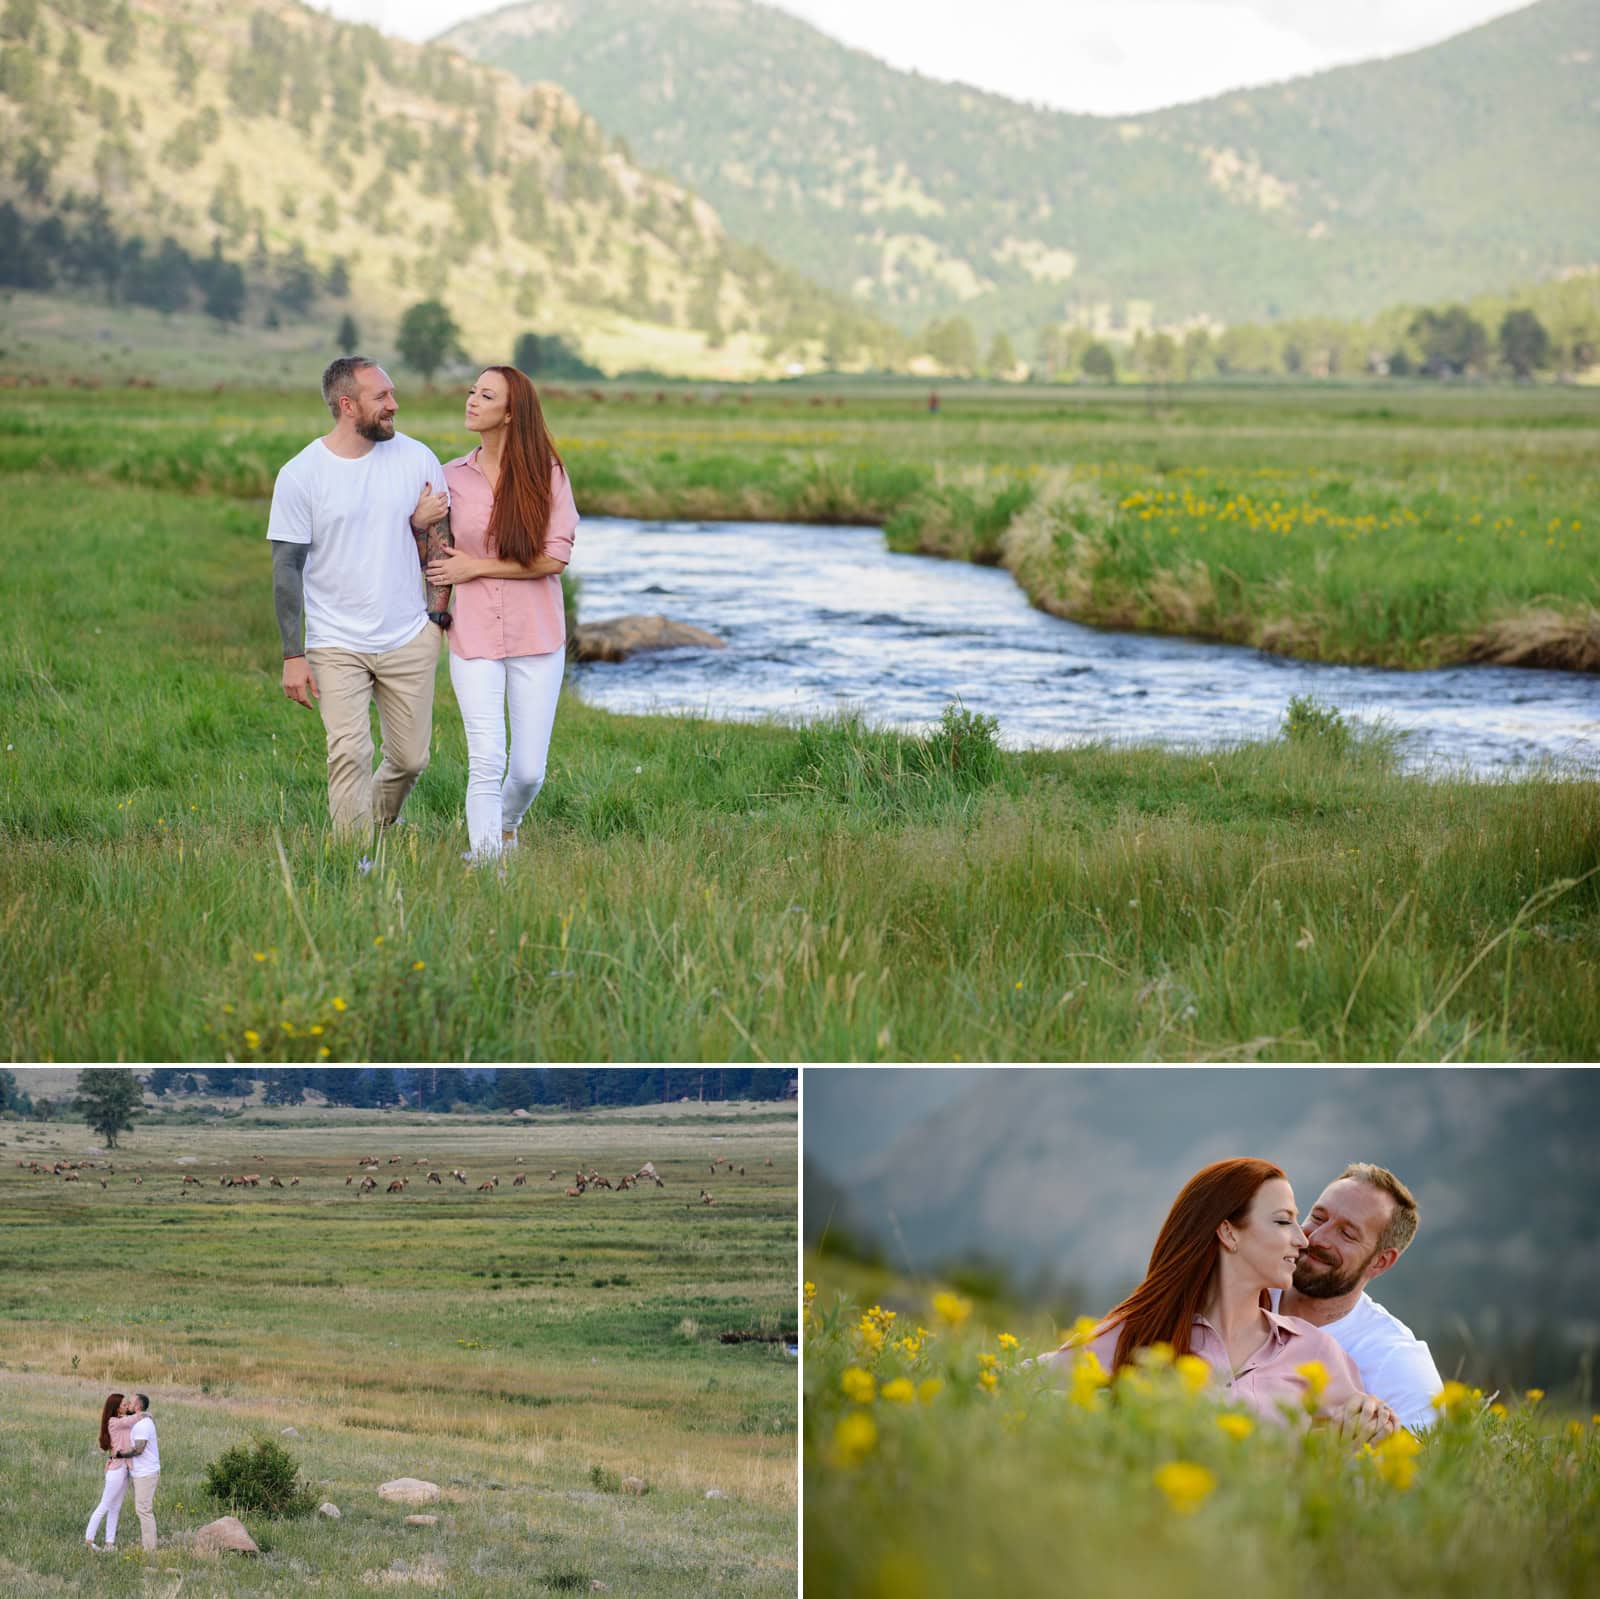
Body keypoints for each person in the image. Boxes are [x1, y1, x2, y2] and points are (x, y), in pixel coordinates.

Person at [1041, 1157, 1397, 1440]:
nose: (1303, 1240)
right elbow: (1021, 1384)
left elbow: (1363, 1450)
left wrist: (1377, 1423)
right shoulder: (1139, 1333)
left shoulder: (1317, 1351)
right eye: (1282, 1221)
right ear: (1228, 1232)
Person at [269, 356, 451, 836]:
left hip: (408, 635)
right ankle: (354, 859)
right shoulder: (301, 474)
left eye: (392, 393)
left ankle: (378, 826)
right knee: (350, 750)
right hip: (335, 640)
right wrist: (293, 654)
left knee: (410, 760)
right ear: (347, 405)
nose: (394, 404)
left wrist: (436, 621)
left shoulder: (418, 459)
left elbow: (441, 545)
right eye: (382, 396)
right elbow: (286, 567)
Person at [426, 366, 577, 862]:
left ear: (511, 413)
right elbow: (424, 544)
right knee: (486, 760)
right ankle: (489, 870)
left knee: (529, 771)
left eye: (486, 396)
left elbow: (554, 559)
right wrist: (418, 520)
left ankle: (507, 826)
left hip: (538, 637)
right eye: (472, 391)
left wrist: (476, 567)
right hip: (473, 636)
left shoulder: (547, 475)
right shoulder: (449, 476)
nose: (471, 400)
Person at [1272, 1162, 1444, 1432]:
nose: (1317, 1238)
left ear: (1380, 1262)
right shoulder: (1245, 1289)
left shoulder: (1397, 1361)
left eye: (1347, 1234)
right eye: (1318, 1217)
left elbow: (1425, 1456)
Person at [108, 1392, 160, 1550]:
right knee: (142, 1509)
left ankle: (150, 1548)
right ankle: (149, 1545)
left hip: (146, 1473)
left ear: (137, 1406)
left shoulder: (143, 1425)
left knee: (143, 1510)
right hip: (140, 1472)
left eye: (130, 1403)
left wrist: (119, 1454)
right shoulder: (138, 1421)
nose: (128, 1405)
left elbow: (138, 1449)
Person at [84, 1392, 134, 1551]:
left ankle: (109, 1543)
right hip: (117, 1469)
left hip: (125, 1468)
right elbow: (133, 1419)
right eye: (124, 1405)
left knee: (115, 1507)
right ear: (117, 1408)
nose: (127, 1406)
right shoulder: (114, 1422)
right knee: (104, 1505)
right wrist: (144, 1413)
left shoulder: (123, 1420)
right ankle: (89, 1540)